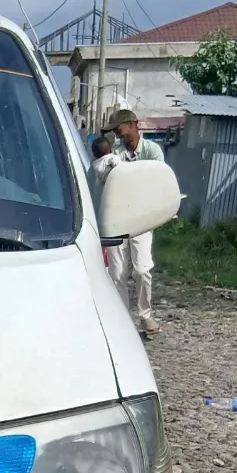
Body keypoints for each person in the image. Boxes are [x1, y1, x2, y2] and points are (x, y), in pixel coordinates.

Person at [94, 108, 166, 336]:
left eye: (119, 129)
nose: (118, 134)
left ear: (133, 125)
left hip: (142, 218)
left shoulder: (152, 151)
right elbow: (101, 178)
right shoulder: (114, 154)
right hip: (117, 219)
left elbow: (159, 181)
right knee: (116, 274)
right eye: (115, 132)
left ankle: (145, 315)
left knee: (142, 270)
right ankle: (122, 320)